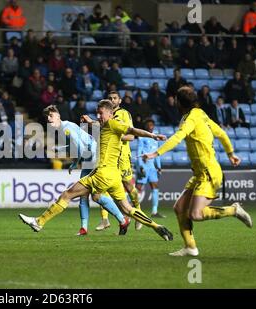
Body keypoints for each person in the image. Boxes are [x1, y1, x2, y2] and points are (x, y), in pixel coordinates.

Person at [19, 100, 173, 242]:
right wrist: (91, 122)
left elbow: (132, 130)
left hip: (102, 174)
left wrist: (152, 135)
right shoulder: (105, 126)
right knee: (125, 207)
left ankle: (39, 222)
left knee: (68, 194)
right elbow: (99, 128)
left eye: (101, 113)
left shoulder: (113, 124)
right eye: (97, 113)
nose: (98, 116)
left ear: (110, 114)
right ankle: (157, 227)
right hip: (114, 176)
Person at [142, 87, 252, 257]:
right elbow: (222, 133)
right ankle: (190, 247)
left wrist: (155, 153)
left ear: (180, 102)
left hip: (208, 172)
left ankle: (233, 210)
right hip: (201, 173)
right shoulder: (200, 114)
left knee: (195, 214)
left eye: (176, 100)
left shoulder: (192, 118)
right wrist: (230, 154)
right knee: (179, 208)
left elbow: (178, 137)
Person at [42, 105, 129, 236]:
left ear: (58, 116)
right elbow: (74, 146)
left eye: (51, 116)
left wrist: (75, 162)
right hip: (90, 158)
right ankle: (85, 228)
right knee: (85, 195)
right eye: (47, 117)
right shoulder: (64, 127)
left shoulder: (66, 129)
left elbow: (80, 149)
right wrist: (59, 150)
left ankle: (121, 220)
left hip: (94, 158)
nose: (48, 119)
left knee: (94, 195)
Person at [99, 91, 144, 231]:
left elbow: (131, 137)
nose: (112, 100)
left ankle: (139, 212)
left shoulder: (124, 114)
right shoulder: (104, 117)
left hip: (123, 157)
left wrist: (114, 136)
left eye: (115, 98)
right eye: (110, 98)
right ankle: (105, 219)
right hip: (109, 157)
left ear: (119, 101)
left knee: (129, 188)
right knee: (102, 187)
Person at [136, 119, 163, 218]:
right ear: (146, 127)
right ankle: (129, 207)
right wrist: (141, 166)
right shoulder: (141, 138)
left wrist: (159, 167)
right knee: (138, 188)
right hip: (144, 165)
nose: (151, 126)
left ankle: (154, 211)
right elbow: (139, 153)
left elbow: (158, 153)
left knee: (155, 187)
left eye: (152, 125)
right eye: (149, 125)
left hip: (152, 167)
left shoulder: (156, 138)